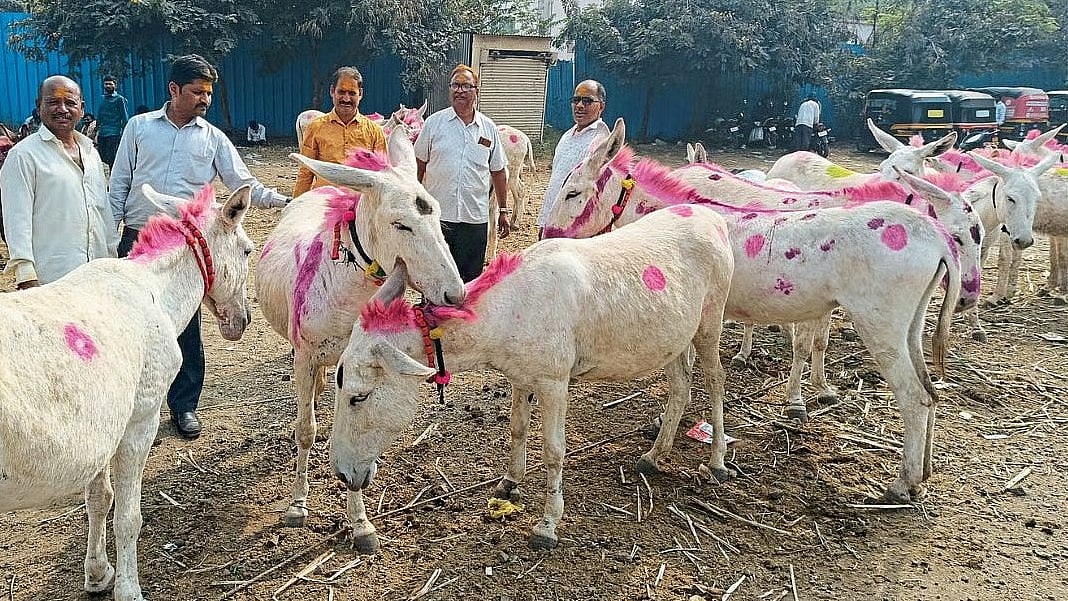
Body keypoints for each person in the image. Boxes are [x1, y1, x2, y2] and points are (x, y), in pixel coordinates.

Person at [108, 53, 290, 439]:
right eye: (197, 92)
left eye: (208, 93)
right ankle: (125, 407)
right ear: (174, 89)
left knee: (185, 328)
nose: (205, 99)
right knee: (128, 324)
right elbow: (120, 182)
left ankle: (184, 405)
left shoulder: (213, 138)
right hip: (140, 238)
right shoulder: (139, 128)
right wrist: (111, 235)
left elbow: (243, 183)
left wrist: (282, 201)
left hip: (184, 248)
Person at [1, 75, 116, 288]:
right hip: (51, 284)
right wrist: (27, 277)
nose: (62, 109)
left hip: (98, 279)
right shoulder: (23, 155)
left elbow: (104, 213)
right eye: (53, 102)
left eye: (70, 102)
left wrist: (111, 260)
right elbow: (17, 221)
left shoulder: (91, 153)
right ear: (39, 106)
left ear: (82, 108)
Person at [413, 64, 509, 282]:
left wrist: (503, 209)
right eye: (455, 85)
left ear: (476, 91)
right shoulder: (434, 124)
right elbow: (418, 164)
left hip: (474, 220)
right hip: (438, 218)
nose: (460, 91)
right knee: (435, 280)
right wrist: (414, 201)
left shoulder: (488, 128)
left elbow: (498, 172)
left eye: (466, 86)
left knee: (470, 283)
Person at [293, 66, 386, 196]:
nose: (346, 99)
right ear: (332, 91)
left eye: (352, 93)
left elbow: (383, 175)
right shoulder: (315, 127)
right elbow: (305, 173)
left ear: (360, 94)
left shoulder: (374, 131)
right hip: (324, 202)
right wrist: (297, 203)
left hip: (361, 204)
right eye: (341, 92)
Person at [537, 79, 610, 236]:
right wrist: (544, 221)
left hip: (573, 226)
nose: (580, 105)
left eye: (587, 101)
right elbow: (556, 181)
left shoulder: (601, 140)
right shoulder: (567, 135)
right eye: (576, 100)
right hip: (552, 216)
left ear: (601, 106)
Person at [95, 74, 129, 168]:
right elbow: (100, 115)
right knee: (102, 157)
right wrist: (96, 129)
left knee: (112, 158)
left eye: (110, 84)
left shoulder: (120, 99)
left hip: (114, 133)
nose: (108, 86)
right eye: (106, 84)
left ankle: (114, 175)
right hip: (102, 133)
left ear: (115, 85)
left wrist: (125, 132)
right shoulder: (102, 98)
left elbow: (124, 117)